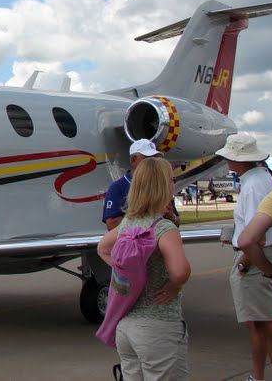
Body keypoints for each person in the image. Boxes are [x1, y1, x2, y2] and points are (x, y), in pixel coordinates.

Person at [98, 157, 191, 380]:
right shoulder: (163, 228)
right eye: (171, 180)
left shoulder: (128, 224)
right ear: (162, 187)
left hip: (126, 328)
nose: (173, 184)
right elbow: (180, 270)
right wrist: (174, 285)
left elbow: (102, 248)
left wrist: (128, 270)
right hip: (157, 328)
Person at [216, 133, 272, 381]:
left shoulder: (253, 185)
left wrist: (245, 261)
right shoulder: (262, 178)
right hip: (261, 257)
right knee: (264, 323)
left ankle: (259, 376)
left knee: (262, 326)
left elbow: (257, 236)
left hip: (254, 261)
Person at [103, 139, 180, 231]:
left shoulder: (161, 186)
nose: (154, 163)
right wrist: (149, 219)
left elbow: (177, 222)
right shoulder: (118, 187)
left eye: (156, 158)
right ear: (133, 160)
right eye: (148, 159)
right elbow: (111, 224)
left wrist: (171, 216)